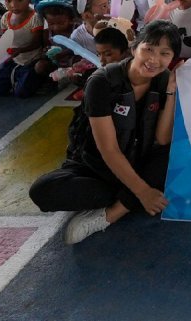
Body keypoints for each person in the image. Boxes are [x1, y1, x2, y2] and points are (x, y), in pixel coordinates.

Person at [29, 21, 179, 245]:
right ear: (134, 47)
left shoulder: (165, 79)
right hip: (98, 167)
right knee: (43, 191)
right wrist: (144, 190)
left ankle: (109, 215)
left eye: (164, 53)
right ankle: (133, 197)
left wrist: (170, 93)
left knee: (174, 155)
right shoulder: (102, 82)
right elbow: (108, 149)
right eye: (148, 48)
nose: (154, 59)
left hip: (139, 161)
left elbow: (162, 139)